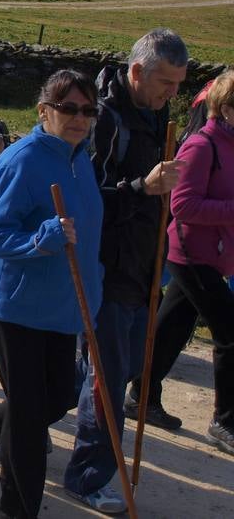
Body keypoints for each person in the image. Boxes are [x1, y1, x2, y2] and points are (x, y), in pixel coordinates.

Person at [0, 70, 104, 519]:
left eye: (88, 110)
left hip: (64, 308)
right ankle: (15, 511)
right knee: (31, 423)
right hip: (17, 309)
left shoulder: (80, 157)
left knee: (58, 396)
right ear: (44, 111)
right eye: (68, 108)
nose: (79, 118)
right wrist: (41, 239)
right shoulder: (22, 159)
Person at [63, 28, 189, 514]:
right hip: (107, 264)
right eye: (165, 82)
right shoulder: (104, 120)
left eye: (178, 83)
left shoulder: (156, 117)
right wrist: (143, 186)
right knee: (108, 378)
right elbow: (88, 199)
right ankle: (88, 476)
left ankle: (2, 423)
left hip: (143, 264)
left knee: (118, 365)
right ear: (137, 72)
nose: (172, 93)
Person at [132, 70, 234, 456]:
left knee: (172, 327)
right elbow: (183, 206)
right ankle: (225, 422)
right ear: (226, 109)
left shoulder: (230, 143)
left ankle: (140, 394)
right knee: (230, 331)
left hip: (215, 253)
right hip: (192, 253)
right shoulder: (202, 145)